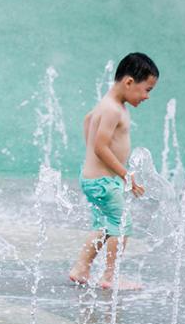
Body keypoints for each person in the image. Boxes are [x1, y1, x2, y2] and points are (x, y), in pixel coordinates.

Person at [68, 53, 159, 290]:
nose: (147, 96)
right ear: (129, 82)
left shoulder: (107, 105)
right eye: (146, 89)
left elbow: (88, 120)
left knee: (104, 226)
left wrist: (92, 159)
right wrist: (125, 174)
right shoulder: (113, 110)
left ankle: (81, 268)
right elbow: (100, 147)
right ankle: (110, 276)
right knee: (121, 224)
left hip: (97, 179)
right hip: (104, 181)